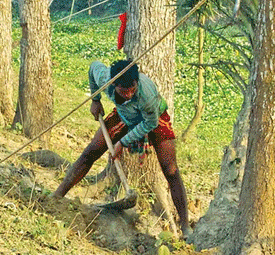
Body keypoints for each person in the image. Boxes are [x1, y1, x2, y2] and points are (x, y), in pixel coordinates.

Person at [53, 59, 191, 238]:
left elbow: (150, 123)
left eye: (132, 89)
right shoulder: (106, 79)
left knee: (170, 169)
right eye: (123, 91)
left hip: (152, 118)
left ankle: (186, 227)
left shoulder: (146, 94)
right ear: (114, 84)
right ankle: (57, 196)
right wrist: (95, 100)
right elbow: (93, 67)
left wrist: (122, 143)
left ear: (137, 82)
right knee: (91, 152)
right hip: (124, 116)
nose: (128, 94)